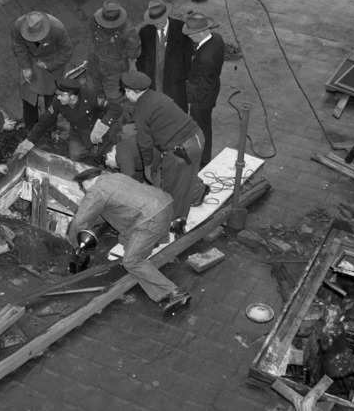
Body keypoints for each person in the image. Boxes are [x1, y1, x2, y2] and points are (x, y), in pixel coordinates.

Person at [68, 168, 191, 315]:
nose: (83, 191)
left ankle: (174, 292)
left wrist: (76, 247)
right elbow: (105, 211)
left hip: (150, 219)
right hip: (165, 205)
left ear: (87, 181)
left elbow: (78, 223)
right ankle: (152, 248)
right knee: (125, 240)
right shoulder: (115, 177)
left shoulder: (96, 191)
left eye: (82, 187)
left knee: (131, 261)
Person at [122, 71, 208, 231]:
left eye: (127, 91)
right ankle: (199, 192)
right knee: (186, 178)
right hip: (197, 138)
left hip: (181, 150)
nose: (126, 95)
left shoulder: (141, 110)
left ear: (134, 92)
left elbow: (145, 143)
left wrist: (148, 164)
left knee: (170, 186)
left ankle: (175, 222)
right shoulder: (157, 96)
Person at [13, 78, 122, 162]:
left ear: (73, 97)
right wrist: (28, 142)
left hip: (96, 127)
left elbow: (115, 108)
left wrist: (102, 126)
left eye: (61, 95)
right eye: (58, 95)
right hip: (78, 131)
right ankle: (93, 152)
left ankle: (100, 152)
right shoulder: (58, 102)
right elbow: (44, 122)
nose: (58, 98)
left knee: (111, 155)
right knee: (75, 155)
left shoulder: (91, 95)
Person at [12, 11, 73, 129]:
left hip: (52, 65)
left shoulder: (57, 29)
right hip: (31, 61)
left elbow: (67, 52)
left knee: (51, 100)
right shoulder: (18, 26)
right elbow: (18, 45)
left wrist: (49, 65)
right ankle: (30, 126)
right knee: (28, 96)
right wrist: (25, 67)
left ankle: (51, 128)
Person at [182, 13, 224, 167]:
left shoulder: (206, 58)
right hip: (212, 87)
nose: (189, 38)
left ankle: (202, 160)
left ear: (200, 33)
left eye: (191, 35)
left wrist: (182, 89)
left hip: (202, 99)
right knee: (204, 125)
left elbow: (200, 88)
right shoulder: (217, 39)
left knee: (201, 127)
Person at [137, 0, 192, 113]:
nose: (157, 24)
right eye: (155, 22)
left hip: (175, 86)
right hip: (154, 86)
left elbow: (188, 57)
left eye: (160, 21)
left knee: (176, 116)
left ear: (166, 15)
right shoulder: (145, 32)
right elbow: (141, 60)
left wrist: (182, 77)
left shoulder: (181, 29)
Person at [87, 0, 140, 106]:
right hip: (96, 60)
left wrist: (129, 64)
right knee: (94, 86)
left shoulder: (128, 31)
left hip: (115, 67)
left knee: (114, 96)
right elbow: (92, 36)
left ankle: (124, 111)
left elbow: (133, 51)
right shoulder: (94, 21)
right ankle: (101, 100)